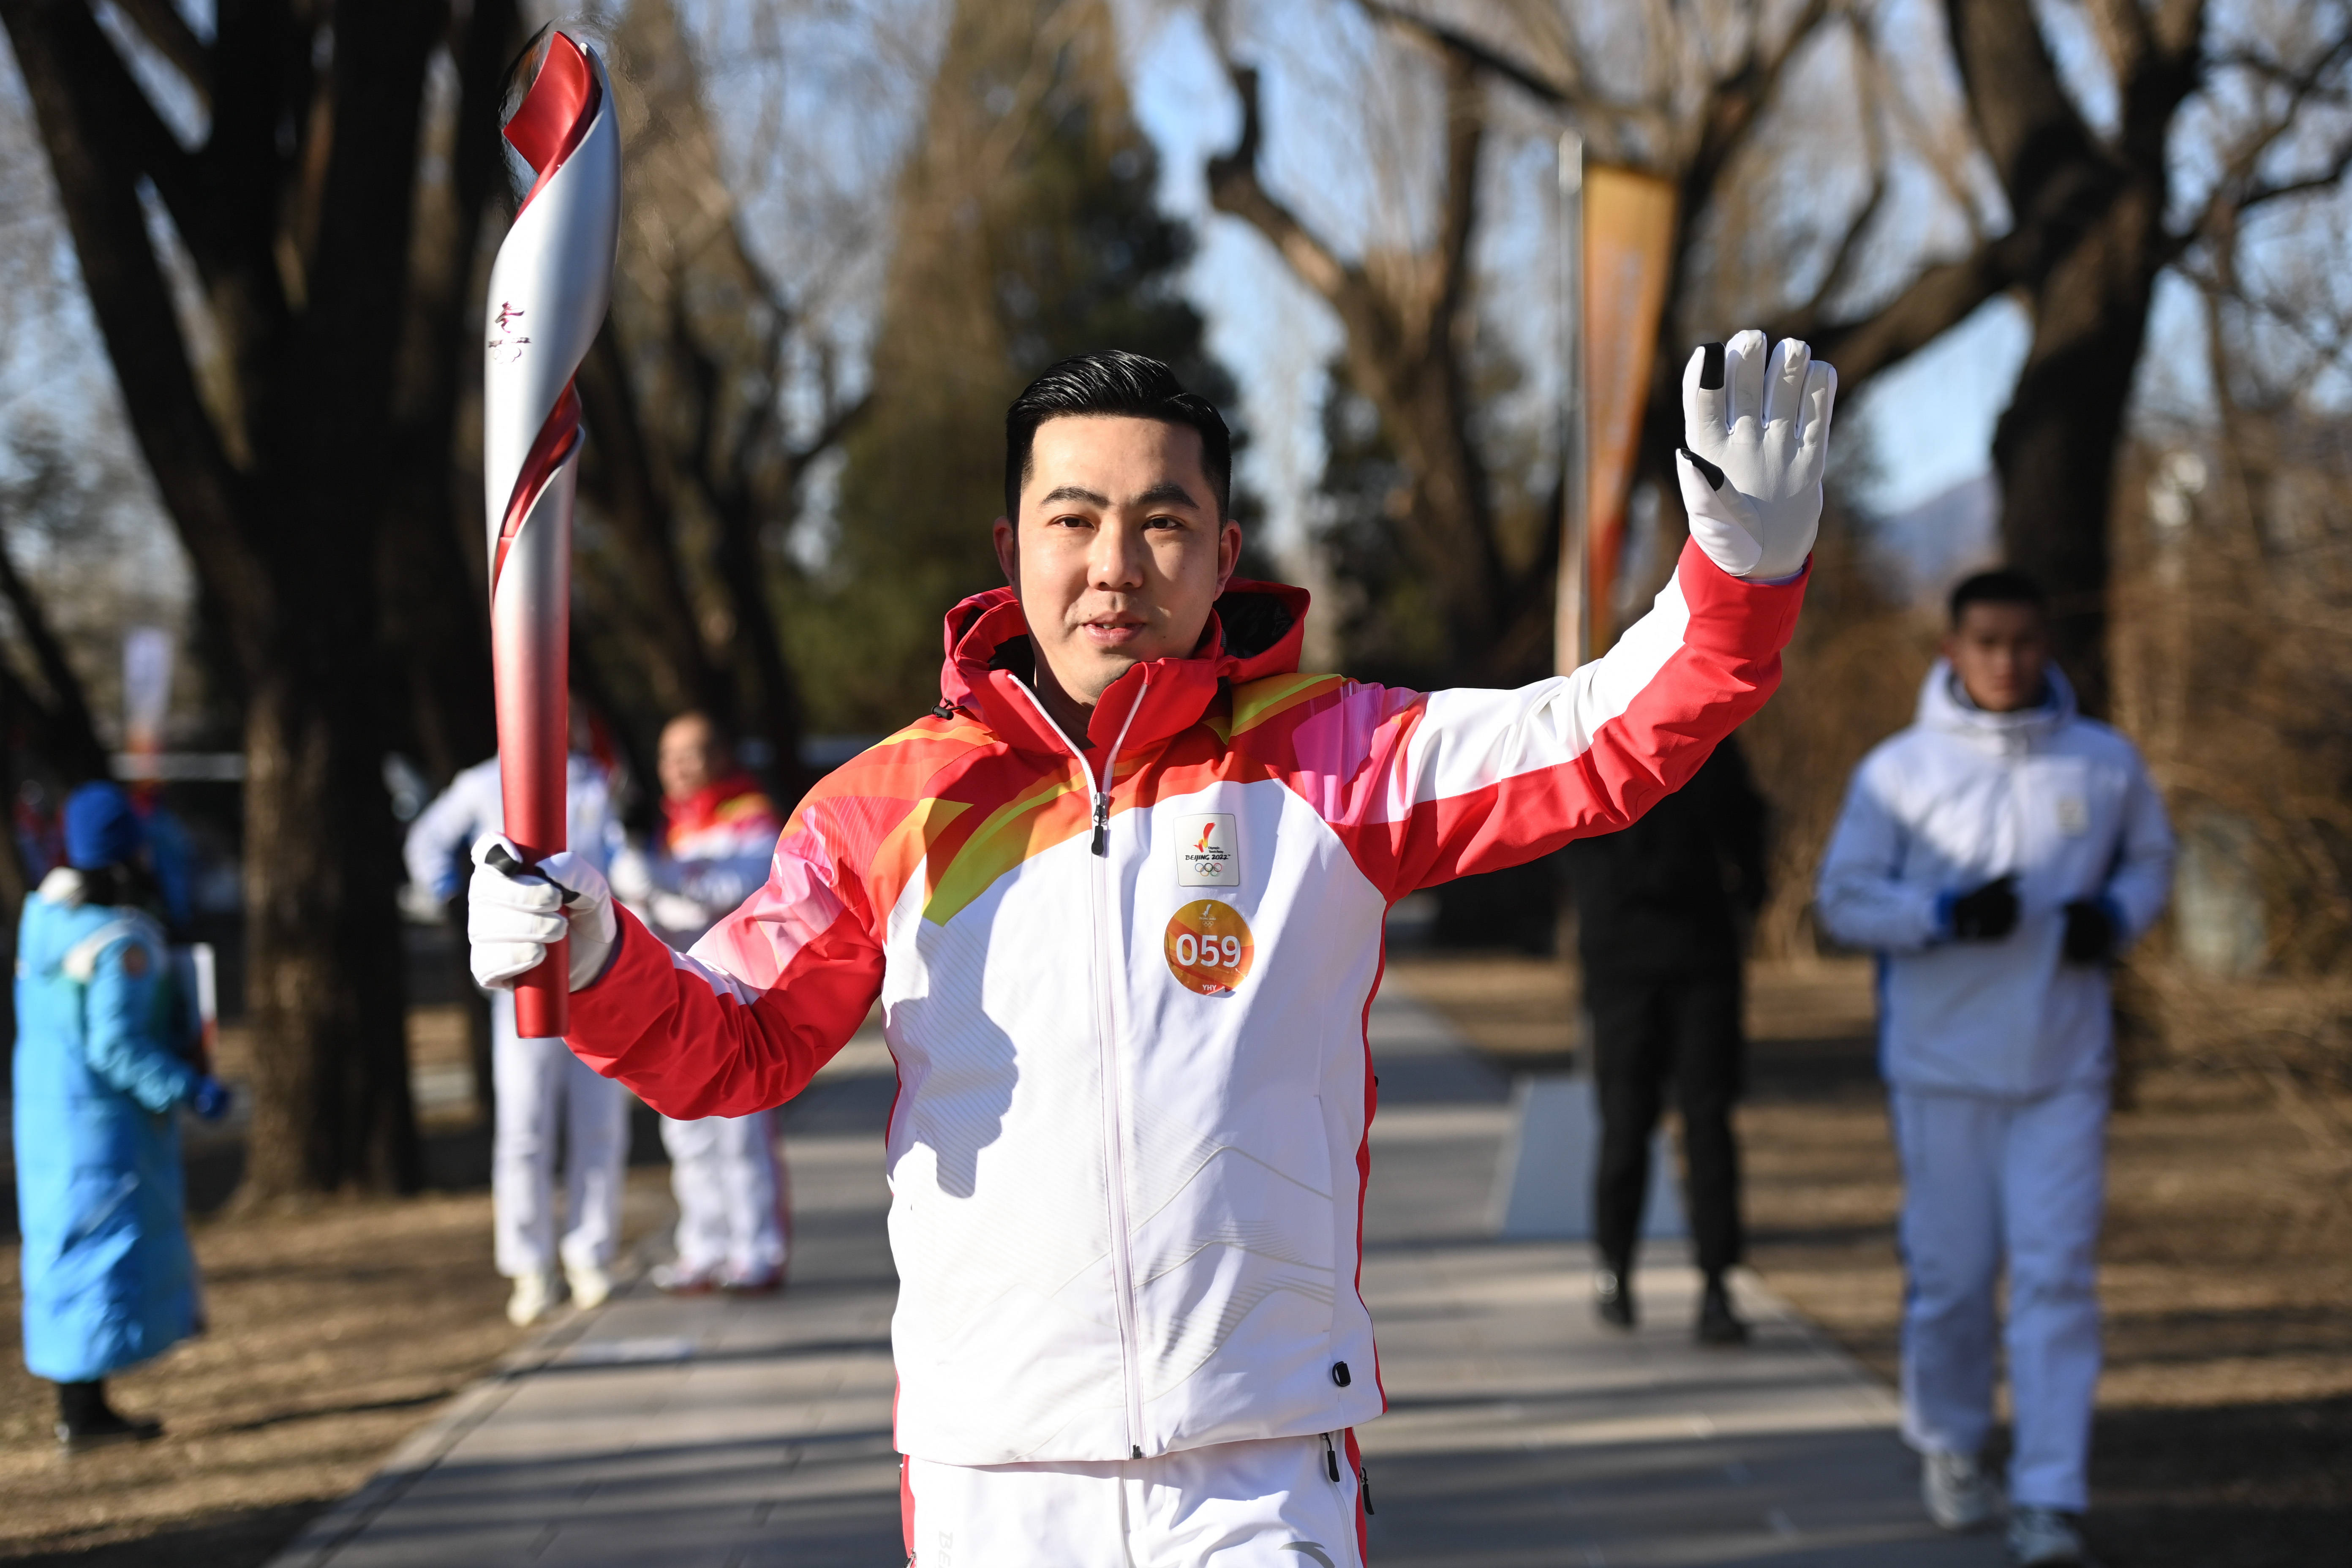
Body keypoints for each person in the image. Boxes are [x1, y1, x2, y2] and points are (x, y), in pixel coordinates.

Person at [469, 335, 1835, 1563]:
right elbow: (734, 1039)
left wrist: (1735, 582)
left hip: (1252, 1463)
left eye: (1159, 521)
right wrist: (594, 953)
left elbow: (1591, 739)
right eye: (1072, 519)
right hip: (993, 1468)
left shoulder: (1332, 757)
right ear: (1007, 545)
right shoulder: (891, 806)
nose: (1113, 564)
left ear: (1223, 553)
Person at [1816, 569, 2173, 1568]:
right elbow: (1843, 897)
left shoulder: (2102, 764)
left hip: (2064, 1062)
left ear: (2045, 644)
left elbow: (2151, 860)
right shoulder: (1900, 772)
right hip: (1942, 1066)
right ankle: (1953, 1440)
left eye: (2024, 641)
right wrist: (1937, 917)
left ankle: (2052, 1495)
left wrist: (2115, 916)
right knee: (1954, 1277)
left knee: (2057, 1274)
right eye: (1987, 642)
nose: (2008, 660)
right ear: (1952, 650)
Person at [14, 782, 231, 1451]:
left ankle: (79, 1406)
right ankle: (87, 1418)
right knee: (103, 1258)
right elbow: (118, 1045)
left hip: (47, 1121)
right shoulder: (119, 941)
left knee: (60, 1253)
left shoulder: (41, 919)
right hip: (105, 1131)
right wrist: (187, 1087)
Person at [404, 710, 629, 1327]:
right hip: (524, 979)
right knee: (525, 1125)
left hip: (598, 974)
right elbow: (425, 842)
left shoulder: (595, 782)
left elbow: (622, 857)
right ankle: (530, 1267)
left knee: (599, 1120)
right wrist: (451, 899)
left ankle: (590, 1255)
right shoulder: (483, 782)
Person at [1564, 734, 1766, 1344]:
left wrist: (1746, 896)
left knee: (1708, 1122)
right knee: (1626, 1121)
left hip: (1702, 958)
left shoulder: (1711, 742)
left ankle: (1716, 1284)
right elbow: (1568, 835)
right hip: (1623, 963)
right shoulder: (1597, 734)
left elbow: (1749, 825)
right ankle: (1615, 1267)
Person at [610, 712, 791, 1294]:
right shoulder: (657, 827)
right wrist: (640, 861)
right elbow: (637, 905)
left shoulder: (751, 820)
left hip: (740, 995)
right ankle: (705, 1249)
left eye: (691, 754)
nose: (678, 768)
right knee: (685, 1132)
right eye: (669, 757)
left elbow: (731, 891)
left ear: (719, 756)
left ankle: (758, 1250)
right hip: (676, 998)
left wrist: (658, 878)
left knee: (742, 1132)